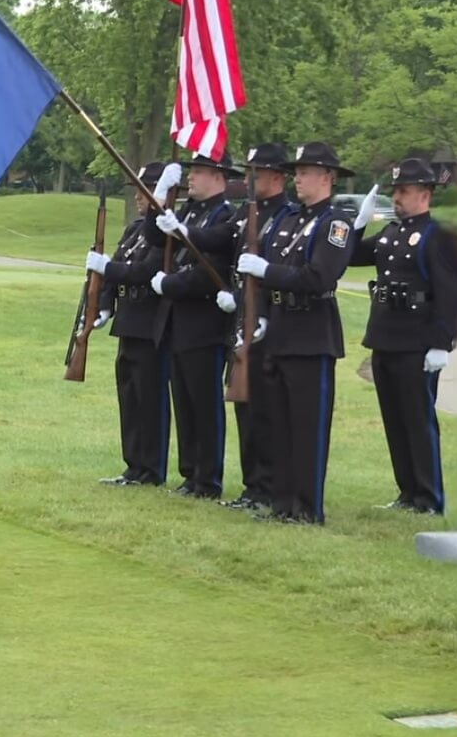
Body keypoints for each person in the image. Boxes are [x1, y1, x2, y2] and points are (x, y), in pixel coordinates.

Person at [157, 143, 294, 511]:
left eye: (258, 173)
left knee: (252, 409)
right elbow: (219, 239)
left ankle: (254, 484)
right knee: (239, 408)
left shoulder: (283, 215)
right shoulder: (244, 215)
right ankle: (239, 484)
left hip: (260, 322)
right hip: (240, 320)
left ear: (277, 177)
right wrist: (178, 225)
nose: (251, 179)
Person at [235, 142, 357, 525]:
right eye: (297, 172)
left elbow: (318, 275)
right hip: (280, 330)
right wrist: (260, 316)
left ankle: (307, 507)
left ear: (327, 178)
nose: (298, 179)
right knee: (279, 423)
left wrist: (265, 271)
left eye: (305, 172)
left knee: (307, 425)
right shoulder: (289, 221)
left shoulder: (335, 224)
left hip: (311, 334)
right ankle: (282, 502)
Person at [350, 158, 457, 515]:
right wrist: (358, 225)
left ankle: (429, 498)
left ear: (424, 194)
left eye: (403, 191)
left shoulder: (440, 236)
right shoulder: (390, 232)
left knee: (418, 420)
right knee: (395, 421)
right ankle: (407, 493)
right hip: (385, 337)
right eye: (395, 191)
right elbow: (351, 256)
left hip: (417, 343)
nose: (396, 197)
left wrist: (441, 343)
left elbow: (451, 293)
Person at [144, 152, 239, 499]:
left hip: (204, 322)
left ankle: (208, 478)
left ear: (218, 177)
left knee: (204, 403)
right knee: (183, 401)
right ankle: (190, 474)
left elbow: (208, 273)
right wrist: (159, 197)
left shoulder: (225, 216)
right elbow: (155, 238)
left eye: (198, 171)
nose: (192, 178)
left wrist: (168, 286)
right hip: (178, 321)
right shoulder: (187, 210)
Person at [86, 162, 183, 487]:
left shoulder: (166, 234)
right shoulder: (135, 229)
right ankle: (134, 465)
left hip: (151, 321)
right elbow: (115, 267)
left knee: (150, 398)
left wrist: (109, 269)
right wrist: (103, 306)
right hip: (128, 319)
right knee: (129, 395)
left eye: (146, 191)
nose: (140, 198)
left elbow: (145, 270)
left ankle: (151, 468)